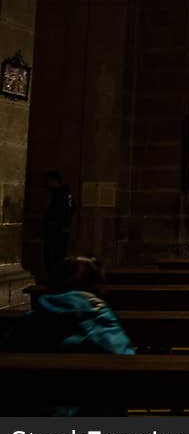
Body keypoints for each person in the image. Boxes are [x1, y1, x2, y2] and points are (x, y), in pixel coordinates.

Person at [0, 256, 134, 416]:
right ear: (96, 285)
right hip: (91, 414)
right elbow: (124, 360)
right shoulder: (98, 317)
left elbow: (8, 354)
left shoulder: (33, 317)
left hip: (34, 412)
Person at [43, 170, 74, 276]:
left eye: (48, 181)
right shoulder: (65, 193)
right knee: (58, 254)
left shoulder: (60, 193)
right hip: (58, 228)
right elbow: (71, 208)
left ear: (54, 180)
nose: (46, 183)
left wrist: (61, 224)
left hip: (56, 228)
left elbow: (64, 210)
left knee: (56, 255)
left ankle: (56, 276)